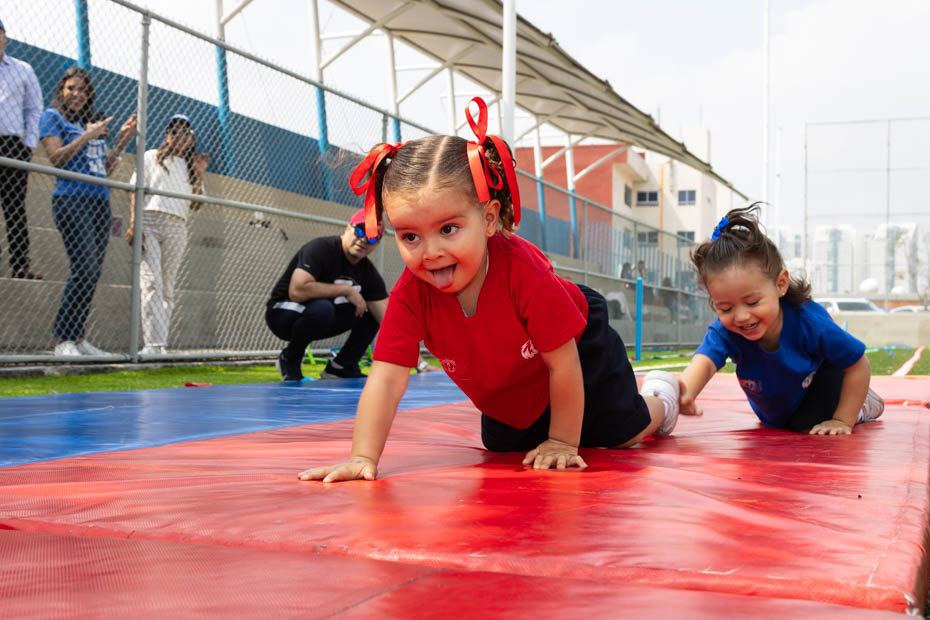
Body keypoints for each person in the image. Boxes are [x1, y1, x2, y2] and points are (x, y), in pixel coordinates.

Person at [298, 97, 687, 483]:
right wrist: (362, 455)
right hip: (511, 384)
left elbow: (563, 363)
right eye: (410, 235)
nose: (431, 252)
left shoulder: (523, 271)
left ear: (488, 219)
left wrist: (563, 442)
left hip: (580, 348)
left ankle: (662, 397)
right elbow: (385, 379)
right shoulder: (411, 295)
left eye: (448, 229)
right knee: (505, 447)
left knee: (621, 433)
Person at [677, 205, 884, 435]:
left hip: (821, 388)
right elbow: (704, 362)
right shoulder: (726, 331)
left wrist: (842, 420)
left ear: (780, 284)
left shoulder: (810, 322)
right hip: (781, 414)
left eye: (753, 302)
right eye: (725, 308)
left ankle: (864, 403)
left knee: (807, 422)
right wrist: (685, 393)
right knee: (792, 424)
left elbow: (858, 364)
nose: (742, 316)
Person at [40, 67, 137, 356]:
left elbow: (103, 168)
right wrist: (87, 135)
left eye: (83, 90)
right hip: (71, 200)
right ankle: (63, 340)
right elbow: (57, 158)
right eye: (71, 88)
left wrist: (119, 141)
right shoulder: (52, 117)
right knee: (83, 268)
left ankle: (78, 338)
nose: (77, 94)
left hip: (99, 203)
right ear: (61, 91)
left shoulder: (88, 123)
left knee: (92, 273)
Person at [265, 208, 391, 381]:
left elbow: (389, 320)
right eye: (361, 230)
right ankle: (291, 358)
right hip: (282, 313)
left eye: (372, 237)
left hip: (319, 317)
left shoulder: (367, 272)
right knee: (322, 308)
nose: (363, 240)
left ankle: (342, 366)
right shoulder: (321, 248)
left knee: (372, 314)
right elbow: (297, 291)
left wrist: (419, 364)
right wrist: (346, 290)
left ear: (377, 243)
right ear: (348, 228)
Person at [126, 114, 208, 355]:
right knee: (150, 282)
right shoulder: (151, 157)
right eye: (175, 131)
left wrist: (200, 174)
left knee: (166, 287)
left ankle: (160, 343)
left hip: (177, 224)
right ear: (167, 134)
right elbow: (135, 191)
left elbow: (195, 204)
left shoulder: (191, 165)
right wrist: (134, 222)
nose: (181, 137)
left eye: (187, 132)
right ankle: (151, 343)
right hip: (150, 219)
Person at [0, 17, 43, 279]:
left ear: (5, 36)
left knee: (15, 206)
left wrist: (29, 145)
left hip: (11, 144)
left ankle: (20, 265)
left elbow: (34, 108)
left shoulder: (23, 69)